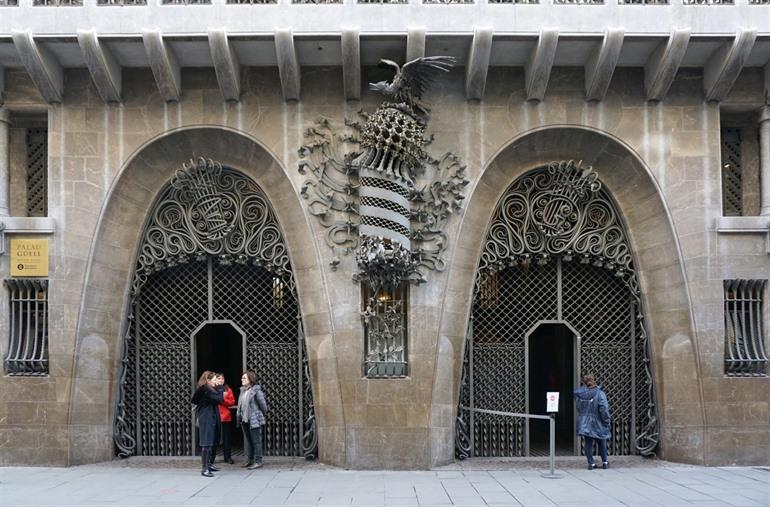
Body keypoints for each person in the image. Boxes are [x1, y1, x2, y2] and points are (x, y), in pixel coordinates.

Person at [574, 373, 611, 470]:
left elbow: (578, 407)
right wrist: (606, 420)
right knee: (602, 441)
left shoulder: (580, 394)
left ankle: (591, 464)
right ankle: (605, 462)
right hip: (598, 421)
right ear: (594, 380)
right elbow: (604, 409)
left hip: (585, 421)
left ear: (584, 383)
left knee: (588, 442)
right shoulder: (600, 393)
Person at [191, 370, 224, 477]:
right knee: (206, 443)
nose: (217, 381)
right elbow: (219, 399)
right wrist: (219, 388)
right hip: (206, 418)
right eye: (214, 379)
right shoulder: (204, 389)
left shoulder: (208, 389)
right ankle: (204, 469)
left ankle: (209, 464)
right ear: (208, 380)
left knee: (211, 442)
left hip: (212, 417)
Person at [236, 371, 268, 470]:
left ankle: (258, 461)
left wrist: (259, 414)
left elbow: (263, 405)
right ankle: (249, 460)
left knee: (256, 441)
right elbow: (240, 406)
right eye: (242, 378)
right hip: (244, 420)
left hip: (254, 420)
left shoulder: (256, 390)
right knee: (249, 441)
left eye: (244, 378)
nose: (242, 379)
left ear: (250, 379)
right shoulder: (242, 391)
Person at [210, 373, 236, 466]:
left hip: (225, 417)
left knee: (226, 439)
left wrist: (222, 400)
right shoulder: (211, 388)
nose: (221, 380)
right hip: (214, 417)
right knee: (213, 439)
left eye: (222, 378)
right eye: (219, 378)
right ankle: (211, 458)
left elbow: (232, 401)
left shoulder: (228, 389)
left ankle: (227, 457)